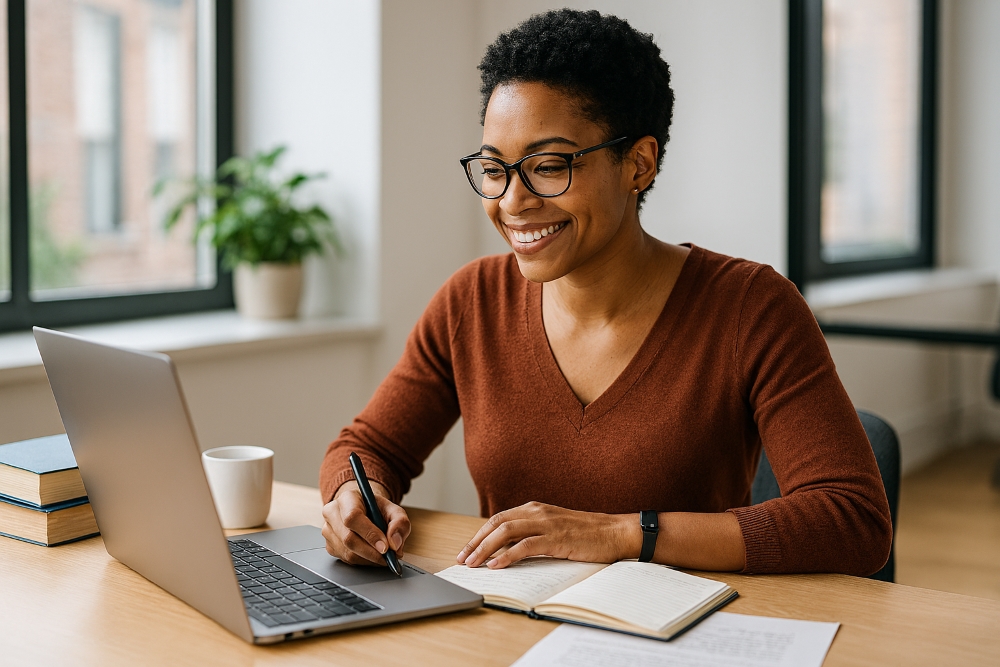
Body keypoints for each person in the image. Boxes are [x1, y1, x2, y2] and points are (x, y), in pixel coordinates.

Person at [319, 9, 892, 576]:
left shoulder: (751, 307)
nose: (513, 201)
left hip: (675, 635)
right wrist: (354, 498)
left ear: (638, 164)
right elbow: (368, 447)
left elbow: (852, 519)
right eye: (494, 168)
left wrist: (620, 533)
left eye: (547, 166)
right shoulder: (471, 301)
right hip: (504, 632)